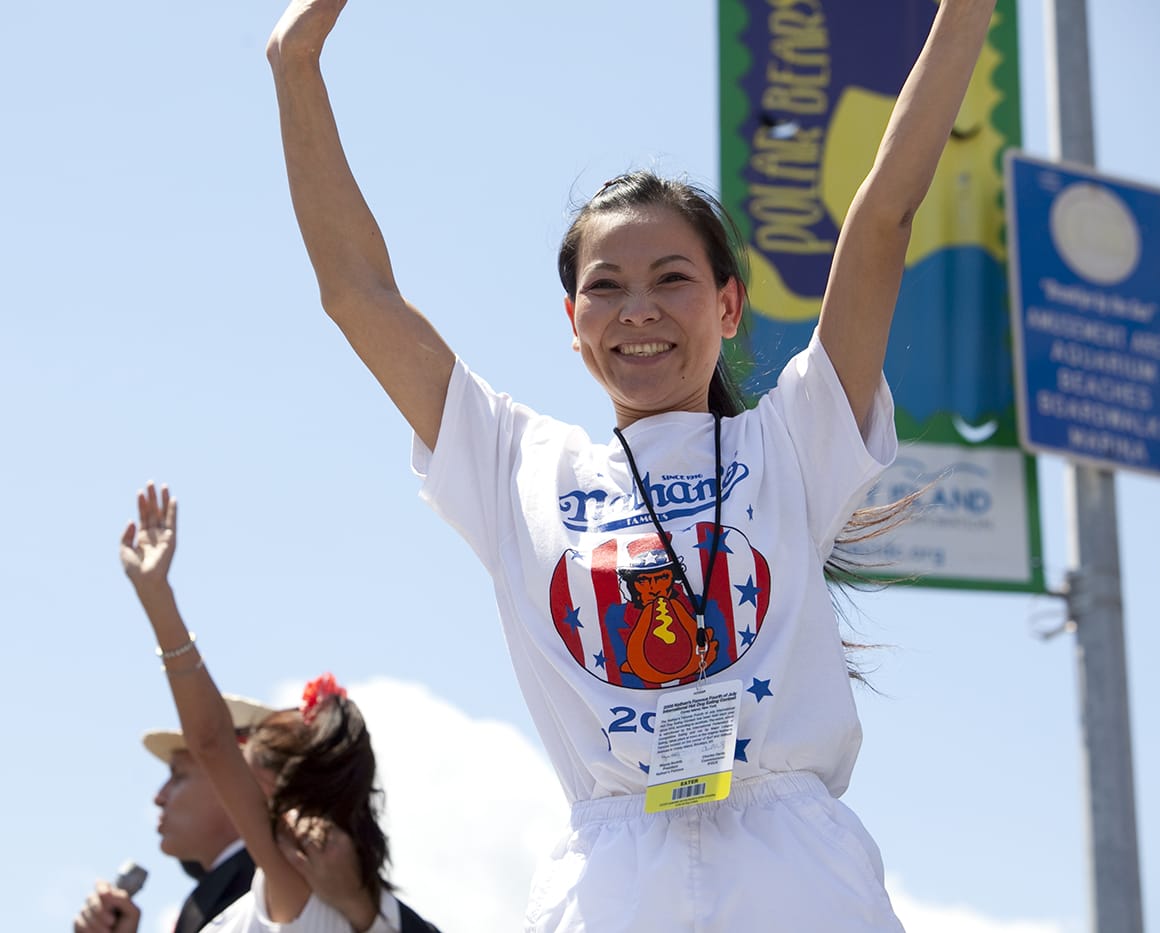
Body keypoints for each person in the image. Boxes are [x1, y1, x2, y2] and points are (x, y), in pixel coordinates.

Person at [264, 0, 997, 929]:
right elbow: (357, 293)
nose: (638, 309)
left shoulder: (793, 439)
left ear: (730, 306)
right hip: (612, 879)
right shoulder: (513, 466)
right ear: (572, 328)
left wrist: (965, 14)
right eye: (603, 288)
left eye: (672, 280)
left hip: (796, 877)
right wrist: (296, 68)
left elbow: (882, 218)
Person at [116, 483, 434, 932]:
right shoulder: (368, 907)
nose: (233, 767)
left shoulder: (294, 880)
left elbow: (209, 740)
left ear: (277, 789)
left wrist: (157, 597)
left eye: (247, 759)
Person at [71, 694, 275, 933]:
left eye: (178, 776)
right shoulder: (235, 885)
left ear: (235, 780)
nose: (159, 797)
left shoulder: (260, 886)